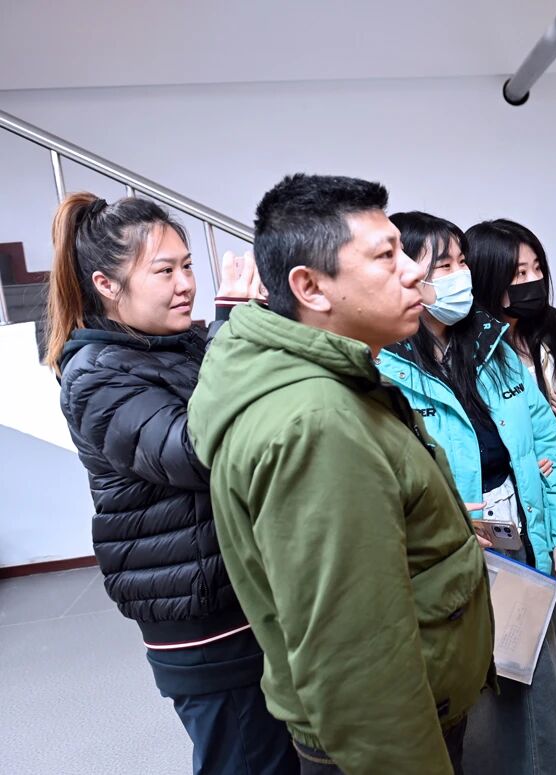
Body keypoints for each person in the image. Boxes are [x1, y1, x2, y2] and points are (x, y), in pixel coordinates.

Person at [187, 175, 494, 775]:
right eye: (386, 256)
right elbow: (358, 658)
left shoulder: (327, 382)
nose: (415, 272)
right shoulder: (317, 423)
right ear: (310, 287)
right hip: (384, 736)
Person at [46, 193, 298, 775]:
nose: (186, 283)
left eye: (187, 265)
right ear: (107, 285)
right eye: (164, 271)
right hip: (200, 618)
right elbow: (196, 451)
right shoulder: (95, 375)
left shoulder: (175, 346)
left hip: (235, 593)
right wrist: (233, 331)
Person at [375, 211, 556, 775]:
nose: (460, 275)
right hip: (451, 556)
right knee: (472, 697)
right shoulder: (385, 366)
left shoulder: (491, 345)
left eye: (461, 262)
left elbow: (544, 442)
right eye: (443, 265)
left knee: (536, 689)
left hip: (519, 539)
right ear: (405, 274)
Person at [465, 218, 556, 774]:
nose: (530, 282)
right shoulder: (471, 345)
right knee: (520, 658)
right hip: (513, 526)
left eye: (535, 270)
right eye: (516, 273)